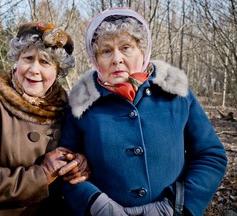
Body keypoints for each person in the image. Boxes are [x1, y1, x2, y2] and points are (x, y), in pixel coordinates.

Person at [58, 7, 227, 216]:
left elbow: (211, 155)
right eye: (106, 51)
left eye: (126, 47)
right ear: (95, 59)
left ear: (142, 51)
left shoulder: (176, 95)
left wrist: (175, 206)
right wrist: (96, 205)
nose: (116, 59)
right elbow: (64, 167)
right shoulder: (81, 104)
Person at [0, 21, 90, 216]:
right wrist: (41, 175)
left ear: (58, 70)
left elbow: (77, 156)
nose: (34, 69)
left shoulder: (66, 107)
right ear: (16, 60)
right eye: (28, 58)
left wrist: (79, 164)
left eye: (45, 62)